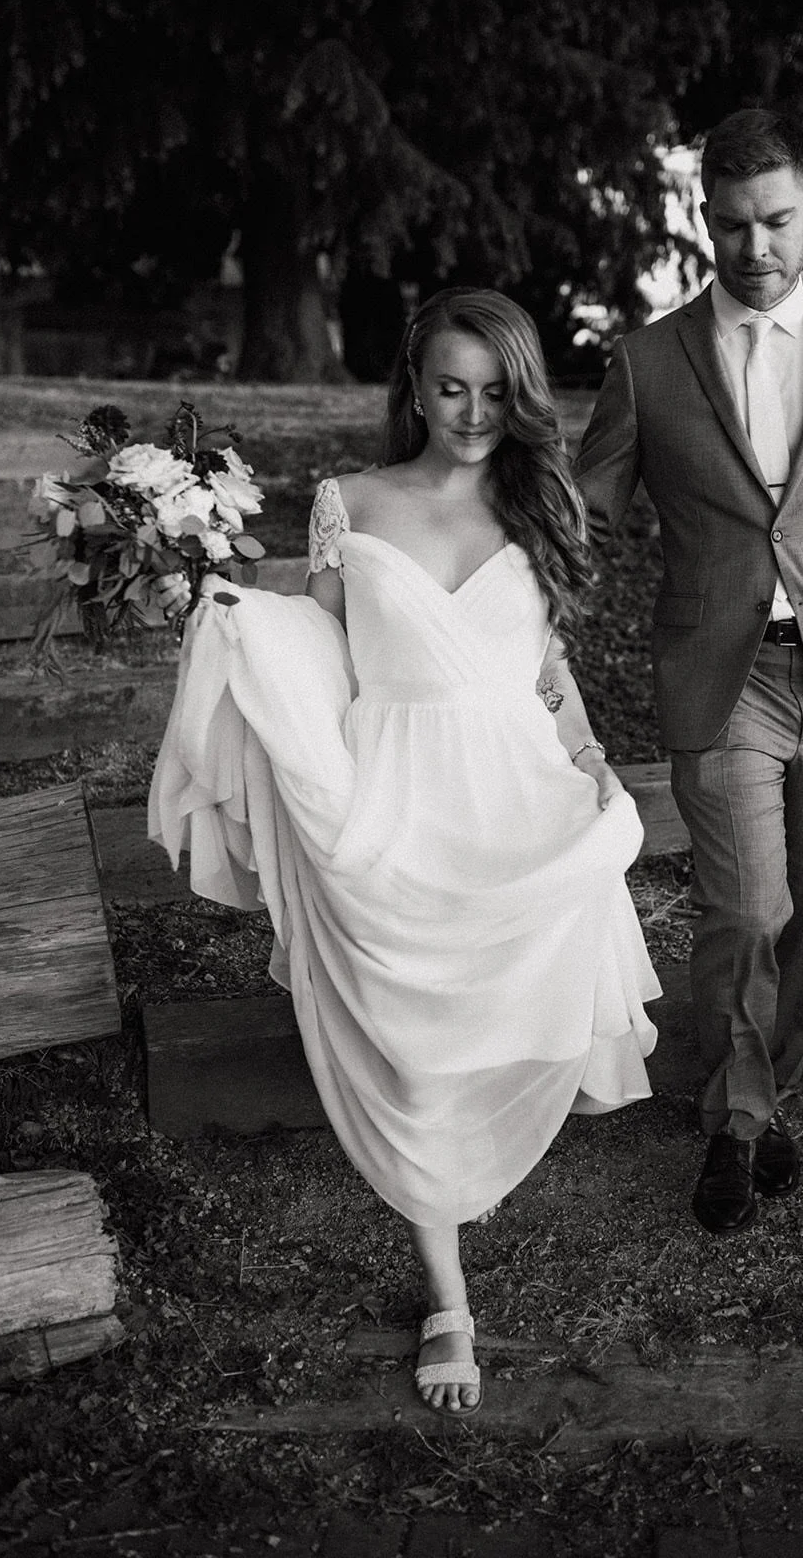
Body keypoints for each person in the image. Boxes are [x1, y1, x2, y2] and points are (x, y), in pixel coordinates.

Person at [149, 287, 661, 1416]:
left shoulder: (542, 499)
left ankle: (469, 1176)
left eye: (494, 391)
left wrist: (588, 753)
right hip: (392, 790)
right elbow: (320, 645)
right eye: (449, 387)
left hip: (513, 783)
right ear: (413, 386)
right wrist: (226, 606)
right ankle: (448, 1294)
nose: (472, 412)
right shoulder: (350, 501)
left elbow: (547, 669)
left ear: (519, 394)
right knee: (414, 1045)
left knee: (488, 1015)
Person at [573, 108, 803, 1236]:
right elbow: (582, 517)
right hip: (722, 679)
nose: (756, 247)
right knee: (745, 908)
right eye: (732, 225)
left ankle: (761, 1091)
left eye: (777, 221)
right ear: (705, 221)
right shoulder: (648, 360)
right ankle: (735, 1129)